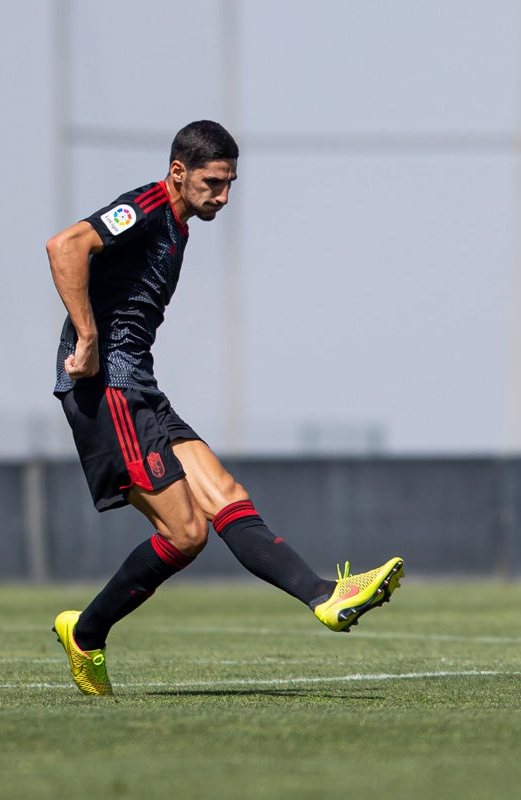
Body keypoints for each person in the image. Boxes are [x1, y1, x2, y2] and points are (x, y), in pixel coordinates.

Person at [45, 120, 404, 696]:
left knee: (227, 496)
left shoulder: (179, 223)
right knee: (186, 533)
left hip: (138, 384)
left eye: (231, 183)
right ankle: (86, 634)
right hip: (107, 387)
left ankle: (323, 596)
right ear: (178, 172)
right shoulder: (145, 205)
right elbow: (65, 246)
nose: (224, 196)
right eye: (214, 182)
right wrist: (86, 339)